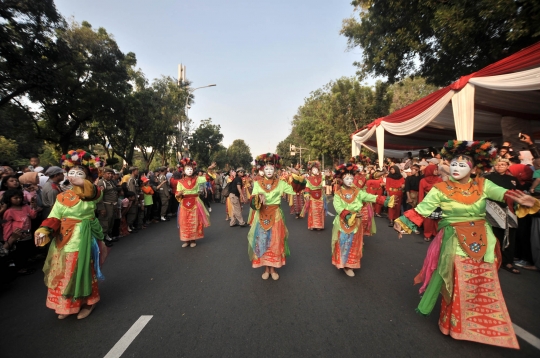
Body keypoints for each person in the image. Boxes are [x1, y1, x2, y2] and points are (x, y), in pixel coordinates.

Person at [393, 140, 540, 349]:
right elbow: (423, 209)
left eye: (463, 165)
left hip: (483, 240)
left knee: (482, 283)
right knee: (457, 282)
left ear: (473, 169)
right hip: (455, 240)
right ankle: (453, 325)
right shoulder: (441, 188)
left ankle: (483, 325)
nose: (456, 168)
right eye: (453, 163)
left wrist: (521, 199)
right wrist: (403, 224)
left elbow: (503, 193)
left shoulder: (483, 184)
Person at [34, 149, 106, 320]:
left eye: (79, 173)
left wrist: (84, 183)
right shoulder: (62, 196)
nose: (74, 175)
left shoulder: (92, 193)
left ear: (87, 177)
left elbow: (93, 194)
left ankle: (89, 302)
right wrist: (44, 230)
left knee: (82, 270)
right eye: (71, 172)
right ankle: (67, 304)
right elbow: (54, 216)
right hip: (63, 239)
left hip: (83, 236)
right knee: (63, 271)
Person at [331, 162, 391, 277]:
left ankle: (349, 264)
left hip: (356, 223)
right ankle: (343, 264)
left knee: (354, 244)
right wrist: (347, 215)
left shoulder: (358, 192)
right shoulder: (338, 193)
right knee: (344, 243)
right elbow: (338, 207)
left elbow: (369, 197)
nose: (349, 180)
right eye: (346, 178)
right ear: (341, 180)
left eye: (351, 178)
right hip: (343, 222)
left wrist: (383, 200)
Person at [248, 153, 299, 280]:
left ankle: (273, 268)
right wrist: (258, 198)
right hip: (261, 215)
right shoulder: (258, 183)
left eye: (271, 168)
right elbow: (253, 201)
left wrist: (296, 174)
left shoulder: (281, 183)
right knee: (262, 241)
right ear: (262, 170)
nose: (269, 171)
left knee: (275, 241)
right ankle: (266, 268)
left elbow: (295, 190)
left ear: (275, 169)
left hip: (276, 215)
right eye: (266, 168)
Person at [174, 159, 215, 248]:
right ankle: (186, 240)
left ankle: (193, 239)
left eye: (191, 169)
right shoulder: (180, 182)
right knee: (184, 222)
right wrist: (179, 194)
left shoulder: (197, 179)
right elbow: (177, 193)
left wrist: (209, 169)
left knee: (194, 221)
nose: (190, 170)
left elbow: (208, 178)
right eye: (187, 169)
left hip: (195, 202)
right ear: (183, 170)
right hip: (184, 203)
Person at [418, 164, 442, 242]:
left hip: (437, 201)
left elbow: (442, 192)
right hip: (427, 202)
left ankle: (436, 234)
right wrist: (420, 204)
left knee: (437, 218)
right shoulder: (423, 181)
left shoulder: (439, 180)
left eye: (436, 170)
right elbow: (421, 193)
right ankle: (427, 234)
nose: (436, 171)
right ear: (430, 170)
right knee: (428, 220)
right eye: (435, 170)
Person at [96, 168, 120, 247]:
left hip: (112, 204)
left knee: (111, 221)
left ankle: (108, 236)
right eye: (108, 173)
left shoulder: (111, 182)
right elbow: (99, 196)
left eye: (111, 174)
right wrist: (101, 208)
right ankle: (103, 240)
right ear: (103, 174)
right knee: (105, 222)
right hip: (106, 204)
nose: (110, 175)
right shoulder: (101, 182)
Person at [302, 161, 326, 230]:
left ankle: (319, 226)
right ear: (311, 170)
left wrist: (328, 174)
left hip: (320, 196)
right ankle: (312, 225)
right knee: (313, 211)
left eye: (316, 169)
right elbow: (307, 188)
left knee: (320, 210)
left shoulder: (321, 177)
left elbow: (327, 177)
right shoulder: (309, 179)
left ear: (318, 170)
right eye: (313, 169)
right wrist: (307, 195)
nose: (315, 171)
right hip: (312, 197)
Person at [123, 166, 140, 232]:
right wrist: (135, 199)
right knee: (132, 213)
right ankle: (128, 227)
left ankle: (131, 226)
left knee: (134, 213)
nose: (137, 171)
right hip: (132, 199)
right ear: (133, 171)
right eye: (136, 170)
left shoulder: (134, 179)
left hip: (135, 198)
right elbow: (132, 191)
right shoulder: (131, 179)